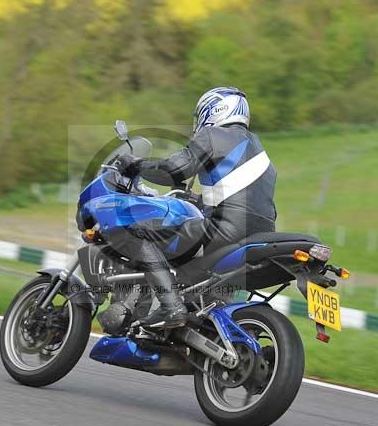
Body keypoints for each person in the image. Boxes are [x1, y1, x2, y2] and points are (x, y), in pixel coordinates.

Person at [116, 87, 278, 329]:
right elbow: (240, 198)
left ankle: (171, 307)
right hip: (261, 235)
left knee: (138, 232)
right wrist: (194, 198)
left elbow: (174, 170)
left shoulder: (213, 135)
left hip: (224, 230)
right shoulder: (258, 148)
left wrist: (136, 165)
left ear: (215, 110)